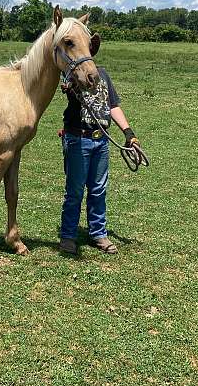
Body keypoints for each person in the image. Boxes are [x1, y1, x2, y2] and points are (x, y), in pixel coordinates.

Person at [59, 62, 143, 255]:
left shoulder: (103, 74)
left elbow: (113, 105)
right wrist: (70, 87)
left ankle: (98, 233)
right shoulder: (72, 74)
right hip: (79, 139)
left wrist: (129, 133)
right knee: (75, 191)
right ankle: (68, 235)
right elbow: (67, 86)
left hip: (101, 140)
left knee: (98, 189)